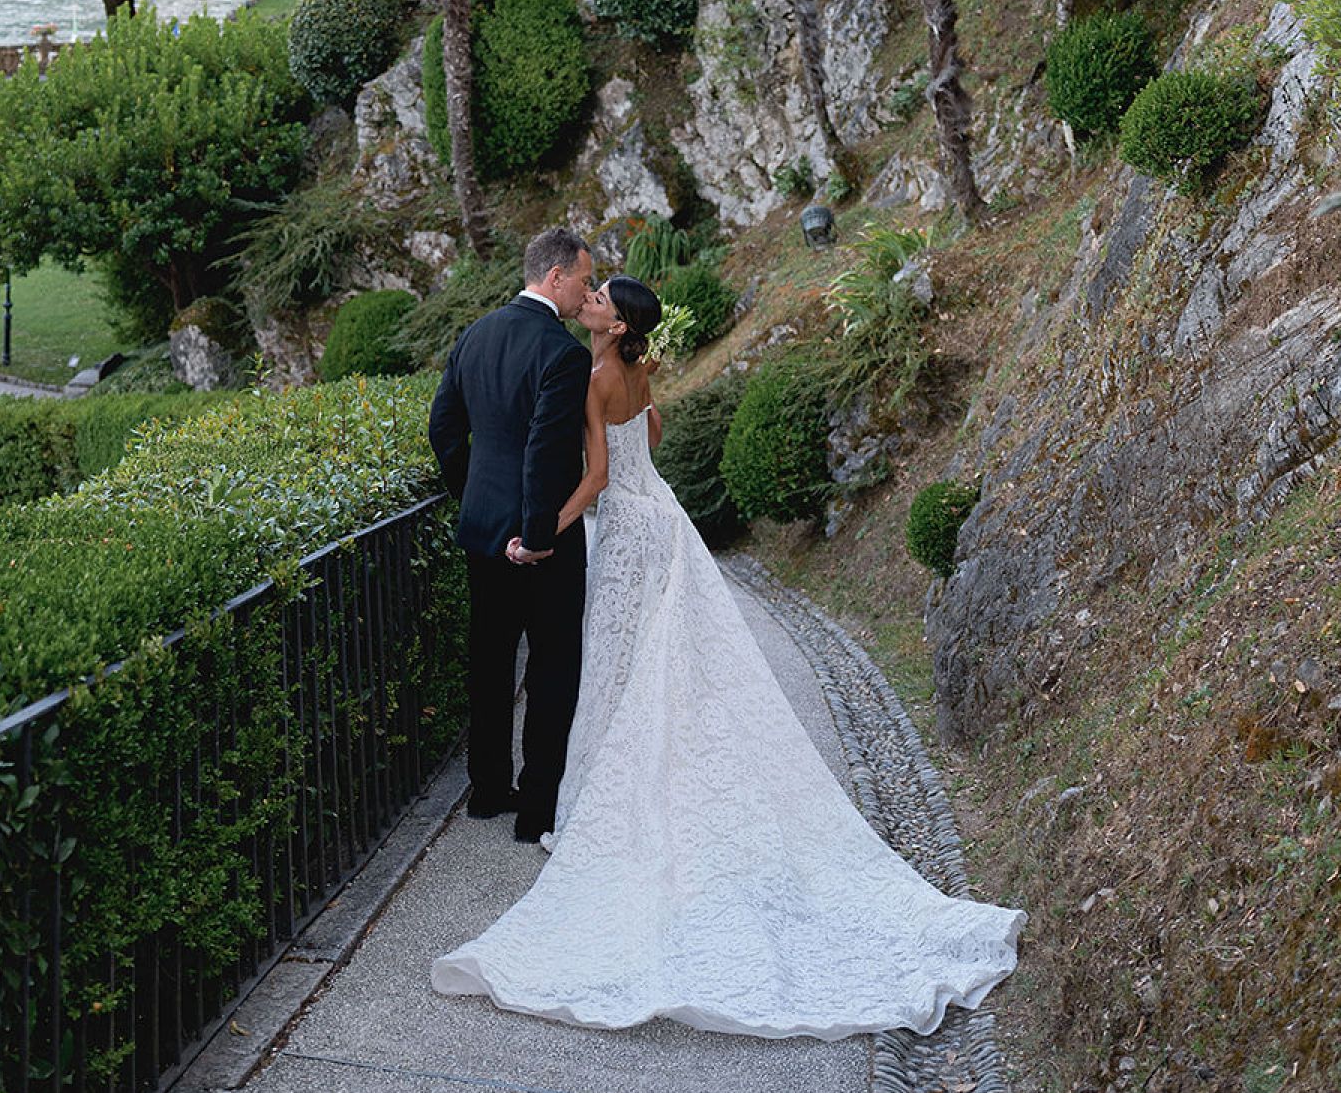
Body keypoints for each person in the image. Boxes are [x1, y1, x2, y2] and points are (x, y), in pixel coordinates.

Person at [432, 275, 1024, 1043]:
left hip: (623, 527)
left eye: (602, 300)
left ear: (614, 327)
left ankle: (599, 782)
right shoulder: (637, 369)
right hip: (664, 520)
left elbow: (600, 473)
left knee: (617, 661)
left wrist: (544, 526)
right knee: (651, 657)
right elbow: (651, 438)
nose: (592, 302)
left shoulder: (593, 370)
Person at [428, 227, 594, 844]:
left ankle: (489, 791)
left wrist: (475, 501)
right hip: (538, 543)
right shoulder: (564, 352)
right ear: (554, 277)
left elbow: (443, 429)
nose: (587, 290)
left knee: (491, 665)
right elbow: (545, 455)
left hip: (481, 534)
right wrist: (535, 536)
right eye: (582, 278)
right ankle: (536, 813)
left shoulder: (474, 335)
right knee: (552, 669)